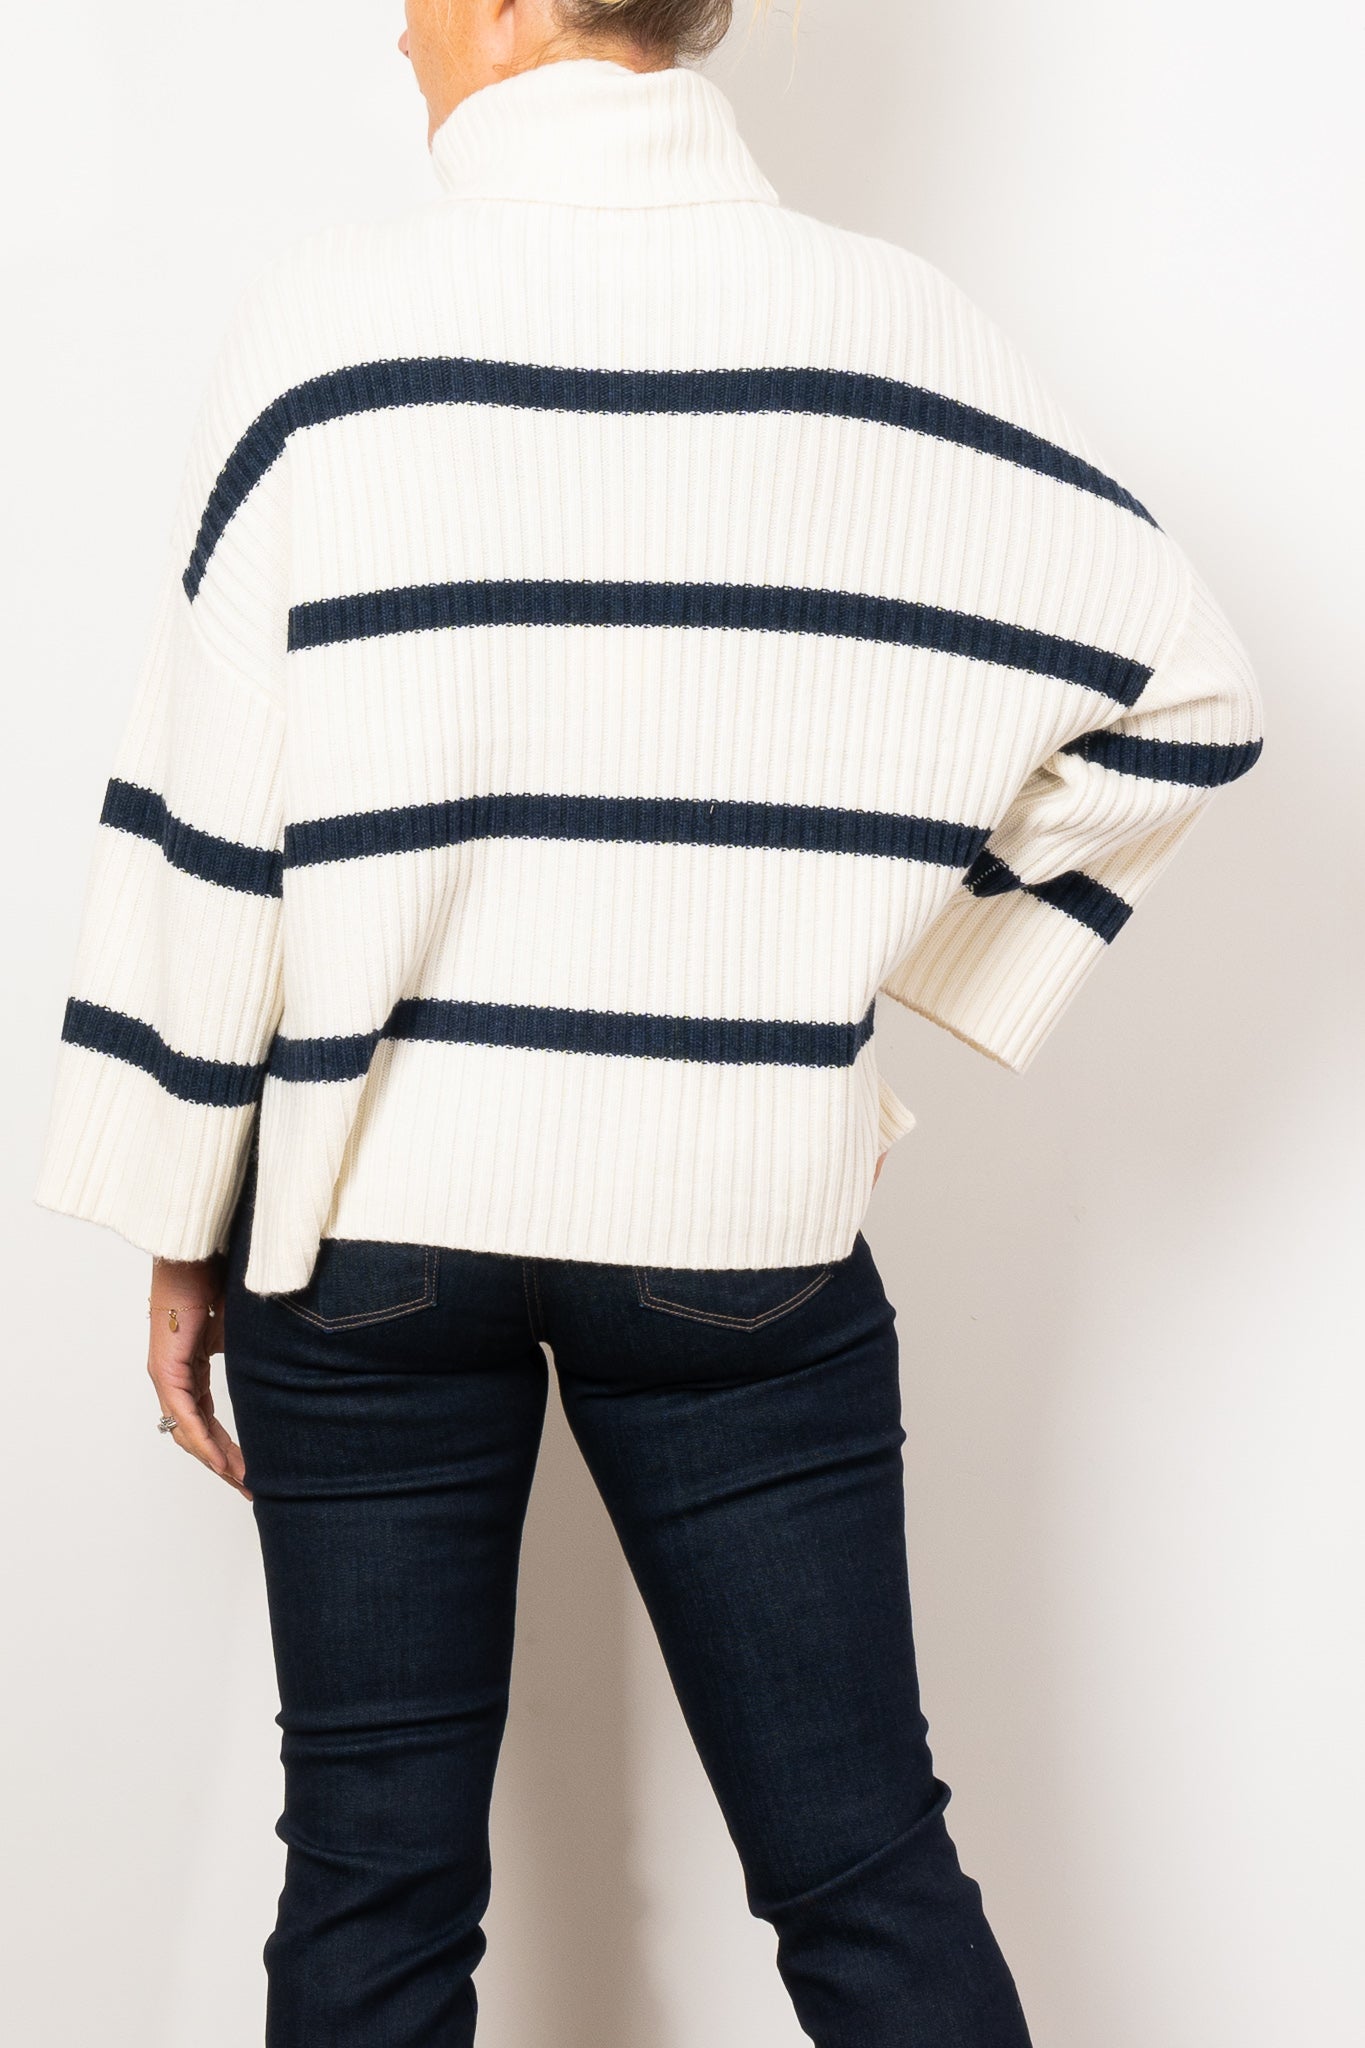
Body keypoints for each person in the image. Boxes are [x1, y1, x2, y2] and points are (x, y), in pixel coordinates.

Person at [33, 2, 1264, 2043]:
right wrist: (846, 974)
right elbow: (1190, 698)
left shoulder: (333, 334)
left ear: (519, 1)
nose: (394, 24)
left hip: (362, 1223)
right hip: (732, 1221)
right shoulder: (889, 334)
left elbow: (212, 819)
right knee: (865, 1881)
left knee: (370, 1891)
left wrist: (182, 1205)